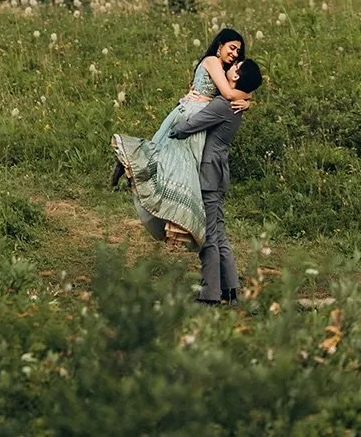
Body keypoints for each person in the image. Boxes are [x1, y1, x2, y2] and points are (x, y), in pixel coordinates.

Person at [110, 29, 251, 248]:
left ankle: (176, 223)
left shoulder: (222, 68)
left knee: (176, 165)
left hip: (201, 118)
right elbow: (229, 93)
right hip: (192, 115)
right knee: (174, 164)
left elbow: (235, 90)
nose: (234, 54)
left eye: (238, 52)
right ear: (220, 45)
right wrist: (248, 99)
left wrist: (248, 98)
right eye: (232, 48)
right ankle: (128, 158)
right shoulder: (212, 61)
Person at [170, 58, 263, 305]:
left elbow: (189, 126)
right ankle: (231, 290)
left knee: (210, 235)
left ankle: (210, 294)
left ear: (235, 77)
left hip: (209, 175)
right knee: (218, 233)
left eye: (234, 67)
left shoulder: (223, 105)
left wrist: (174, 125)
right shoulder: (235, 104)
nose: (229, 67)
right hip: (218, 172)